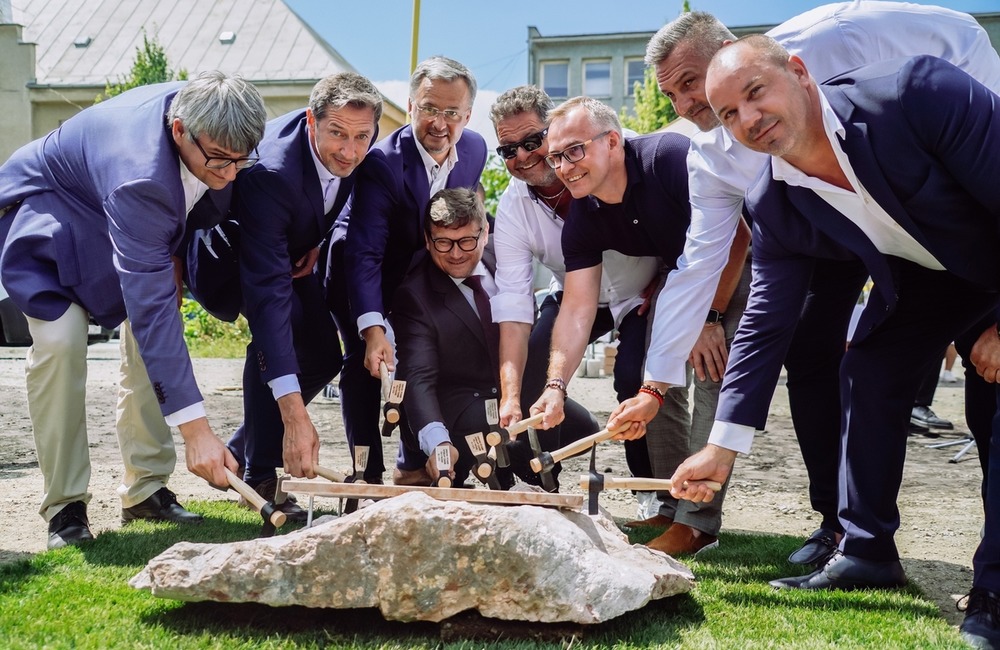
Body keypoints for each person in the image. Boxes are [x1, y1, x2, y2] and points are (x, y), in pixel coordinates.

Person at [609, 2, 1000, 570]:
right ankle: (852, 538)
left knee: (987, 370)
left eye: (694, 83)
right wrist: (672, 402)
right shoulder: (736, 173)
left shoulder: (861, 53)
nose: (689, 105)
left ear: (790, 70)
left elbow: (962, 36)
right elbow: (721, 282)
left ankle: (991, 576)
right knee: (846, 361)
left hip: (960, 200)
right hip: (861, 246)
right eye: (676, 95)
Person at [0, 72, 267, 548]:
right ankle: (65, 506)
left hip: (126, 218)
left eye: (239, 160)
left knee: (151, 346)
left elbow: (198, 210)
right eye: (219, 161)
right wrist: (197, 432)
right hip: (50, 216)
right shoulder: (139, 174)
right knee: (61, 343)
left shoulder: (212, 115)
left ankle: (144, 489)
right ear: (180, 129)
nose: (229, 174)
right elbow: (150, 309)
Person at [529, 96, 751, 555]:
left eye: (574, 151)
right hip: (679, 278)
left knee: (712, 370)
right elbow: (576, 309)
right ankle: (674, 498)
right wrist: (556, 385)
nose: (564, 167)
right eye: (555, 157)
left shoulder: (667, 157)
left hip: (739, 265)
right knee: (654, 379)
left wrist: (710, 317)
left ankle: (696, 522)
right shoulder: (582, 216)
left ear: (612, 142)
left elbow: (738, 235)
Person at [203, 73, 381, 517]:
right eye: (337, 133)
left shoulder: (358, 154)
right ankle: (261, 471)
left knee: (322, 356)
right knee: (273, 340)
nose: (349, 150)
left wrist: (316, 240)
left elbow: (331, 206)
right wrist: (294, 415)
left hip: (293, 251)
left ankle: (245, 446)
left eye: (362, 136)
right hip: (232, 260)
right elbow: (267, 303)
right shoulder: (272, 173)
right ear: (311, 120)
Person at [487, 85, 661, 483]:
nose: (523, 156)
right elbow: (514, 305)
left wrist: (669, 275)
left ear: (556, 129)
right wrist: (511, 397)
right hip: (574, 295)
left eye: (532, 140)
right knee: (529, 371)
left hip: (644, 290)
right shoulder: (514, 206)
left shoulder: (617, 151)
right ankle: (540, 477)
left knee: (633, 377)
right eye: (508, 149)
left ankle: (649, 490)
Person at [334, 56, 487, 484]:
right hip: (365, 273)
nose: (440, 123)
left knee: (421, 362)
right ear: (411, 107)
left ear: (467, 115)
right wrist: (373, 328)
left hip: (421, 277)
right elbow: (364, 251)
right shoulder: (382, 162)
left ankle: (413, 465)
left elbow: (464, 203)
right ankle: (364, 476)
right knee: (367, 367)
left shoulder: (475, 148)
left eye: (452, 113)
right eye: (430, 109)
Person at [395, 188, 565, 486]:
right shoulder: (413, 295)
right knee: (507, 446)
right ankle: (492, 468)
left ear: (486, 233)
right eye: (443, 243)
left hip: (513, 396)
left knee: (581, 427)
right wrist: (437, 442)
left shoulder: (506, 257)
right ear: (427, 239)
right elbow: (418, 377)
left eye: (466, 241)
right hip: (459, 405)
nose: (456, 253)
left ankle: (532, 469)